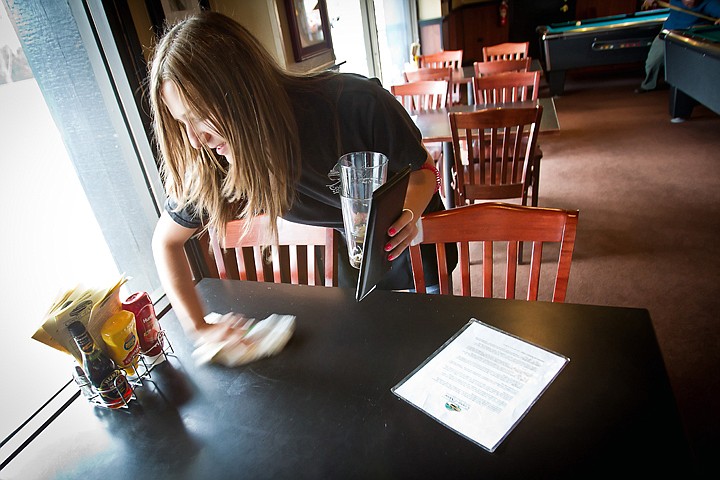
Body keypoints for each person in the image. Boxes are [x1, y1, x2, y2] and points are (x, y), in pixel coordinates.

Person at [148, 12, 456, 345]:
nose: (196, 140)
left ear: (241, 91)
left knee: (429, 345)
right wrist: (198, 327)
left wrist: (406, 215)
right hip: (352, 264)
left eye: (200, 116)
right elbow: (166, 242)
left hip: (416, 250)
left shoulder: (353, 104)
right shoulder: (215, 157)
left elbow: (424, 171)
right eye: (183, 122)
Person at [636, 0, 720, 93]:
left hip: (692, 36)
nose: (689, 2)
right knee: (653, 62)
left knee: (695, 66)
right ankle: (648, 85)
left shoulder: (710, 3)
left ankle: (696, 91)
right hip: (669, 31)